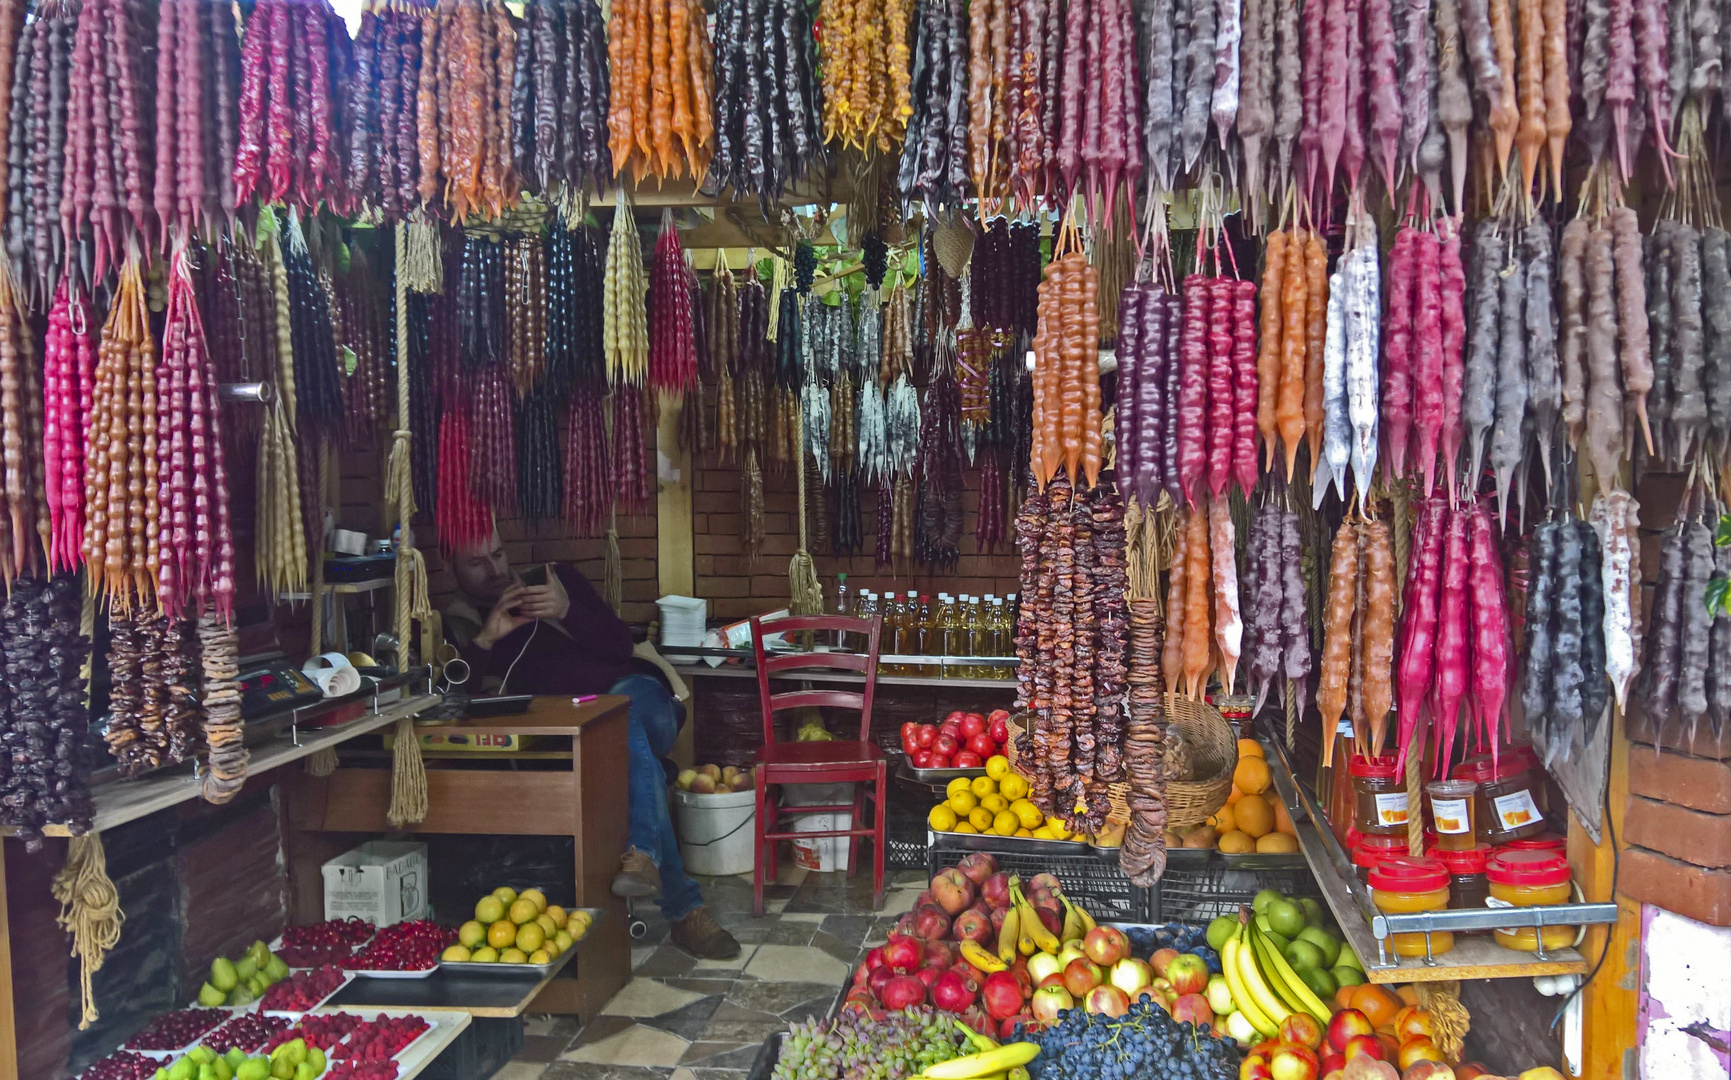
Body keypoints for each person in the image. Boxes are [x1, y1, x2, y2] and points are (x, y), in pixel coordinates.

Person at [442, 532, 741, 960]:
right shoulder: (461, 622)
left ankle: (668, 889)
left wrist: (566, 610)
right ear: (448, 566)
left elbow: (622, 642)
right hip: (579, 730)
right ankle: (675, 900)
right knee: (632, 748)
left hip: (640, 694)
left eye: (498, 554)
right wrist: (488, 639)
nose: (495, 570)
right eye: (477, 564)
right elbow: (453, 699)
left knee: (622, 713)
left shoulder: (555, 579)